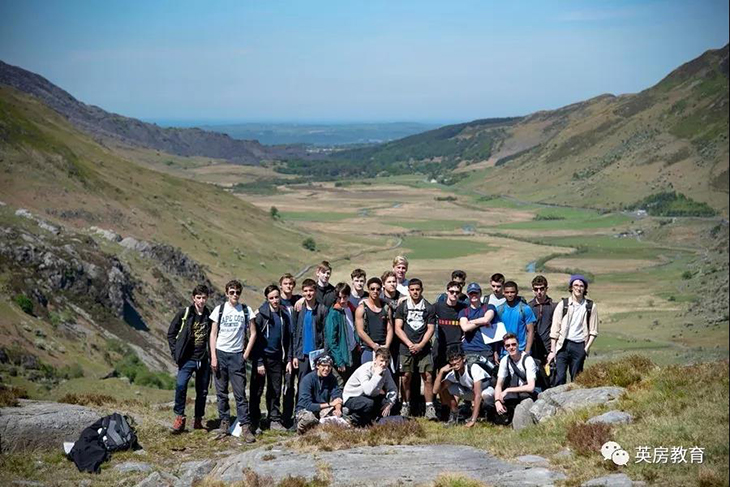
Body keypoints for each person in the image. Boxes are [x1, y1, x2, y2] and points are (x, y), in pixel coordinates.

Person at [209, 280, 257, 443]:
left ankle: (245, 426)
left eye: (237, 292)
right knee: (221, 392)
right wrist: (213, 356)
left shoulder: (246, 310)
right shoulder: (219, 310)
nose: (235, 295)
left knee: (240, 393)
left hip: (237, 356)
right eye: (231, 292)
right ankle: (224, 423)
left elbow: (253, 333)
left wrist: (245, 354)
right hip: (221, 354)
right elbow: (213, 334)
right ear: (226, 293)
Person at [167, 284, 212, 433]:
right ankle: (179, 418)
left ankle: (198, 419)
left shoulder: (209, 315)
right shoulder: (185, 313)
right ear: (193, 298)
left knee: (202, 391)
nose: (201, 301)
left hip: (203, 359)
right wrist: (176, 353)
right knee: (181, 386)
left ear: (207, 298)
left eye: (203, 298)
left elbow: (213, 335)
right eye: (198, 297)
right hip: (187, 359)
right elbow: (171, 333)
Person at [394, 278, 437, 420]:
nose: (415, 292)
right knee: (405, 377)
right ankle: (405, 405)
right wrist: (409, 344)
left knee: (428, 376)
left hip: (424, 348)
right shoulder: (402, 307)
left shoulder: (429, 307)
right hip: (406, 347)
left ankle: (429, 407)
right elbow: (397, 328)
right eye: (412, 290)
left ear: (422, 290)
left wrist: (421, 344)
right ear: (408, 291)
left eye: (417, 289)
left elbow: (431, 328)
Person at [250, 285, 291, 432]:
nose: (275, 300)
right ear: (267, 299)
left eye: (276, 297)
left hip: (277, 358)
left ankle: (274, 419)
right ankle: (254, 420)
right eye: (271, 298)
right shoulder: (260, 316)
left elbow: (288, 339)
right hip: (262, 357)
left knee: (275, 390)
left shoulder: (284, 315)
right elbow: (255, 340)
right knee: (257, 390)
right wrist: (259, 362)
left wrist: (288, 359)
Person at [547, 275, 598, 385]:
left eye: (581, 286)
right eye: (576, 285)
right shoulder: (563, 304)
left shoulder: (590, 306)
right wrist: (553, 350)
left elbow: (593, 331)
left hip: (579, 345)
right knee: (559, 377)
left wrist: (586, 348)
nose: (578, 288)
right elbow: (555, 329)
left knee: (577, 379)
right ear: (571, 287)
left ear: (585, 288)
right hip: (563, 345)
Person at [433, 345, 496, 427]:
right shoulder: (454, 373)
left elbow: (478, 395)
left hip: (487, 389)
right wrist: (441, 372)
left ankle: (490, 417)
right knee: (446, 388)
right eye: (451, 360)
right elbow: (436, 390)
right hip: (472, 392)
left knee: (485, 395)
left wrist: (473, 420)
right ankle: (454, 415)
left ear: (463, 358)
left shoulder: (474, 368)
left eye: (456, 359)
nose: (454, 362)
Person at [343, 347, 398, 427]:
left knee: (389, 405)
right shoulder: (366, 369)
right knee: (368, 404)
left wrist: (389, 403)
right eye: (381, 361)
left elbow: (393, 389)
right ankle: (353, 418)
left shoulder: (386, 370)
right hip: (353, 396)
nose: (384, 364)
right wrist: (377, 375)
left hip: (370, 396)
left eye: (386, 361)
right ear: (375, 359)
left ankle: (373, 420)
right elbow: (368, 391)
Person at [493, 333, 538, 425]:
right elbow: (498, 385)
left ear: (518, 345)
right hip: (513, 391)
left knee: (523, 396)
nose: (511, 347)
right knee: (491, 399)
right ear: (505, 348)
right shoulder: (505, 360)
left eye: (513, 344)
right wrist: (497, 401)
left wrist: (508, 390)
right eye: (508, 345)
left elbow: (531, 387)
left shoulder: (528, 360)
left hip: (527, 392)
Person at [292, 279, 329, 384]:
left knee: (317, 384)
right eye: (306, 291)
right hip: (302, 355)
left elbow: (326, 334)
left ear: (315, 292)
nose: (308, 293)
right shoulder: (299, 309)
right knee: (302, 384)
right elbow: (294, 333)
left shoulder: (322, 309)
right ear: (303, 292)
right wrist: (295, 355)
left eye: (311, 290)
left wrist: (325, 354)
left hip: (317, 355)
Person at [295, 355, 344, 434]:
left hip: (322, 409)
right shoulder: (308, 379)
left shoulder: (332, 378)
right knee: (309, 418)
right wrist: (330, 404)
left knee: (345, 411)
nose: (326, 369)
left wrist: (338, 409)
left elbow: (337, 396)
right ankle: (302, 429)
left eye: (329, 366)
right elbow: (307, 405)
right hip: (306, 410)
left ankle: (320, 429)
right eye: (324, 366)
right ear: (317, 366)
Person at [279, 273, 301, 427]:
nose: (288, 286)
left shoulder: (297, 300)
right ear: (281, 285)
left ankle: (296, 414)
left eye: (291, 284)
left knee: (296, 383)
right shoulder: (276, 300)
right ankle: (282, 417)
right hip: (281, 347)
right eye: (286, 283)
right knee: (283, 385)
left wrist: (302, 299)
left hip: (296, 346)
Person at [459, 283, 500, 368]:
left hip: (486, 349)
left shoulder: (489, 307)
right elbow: (465, 328)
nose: (474, 295)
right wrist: (481, 322)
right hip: (468, 350)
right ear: (468, 295)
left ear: (480, 293)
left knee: (487, 375)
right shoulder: (464, 311)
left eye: (476, 293)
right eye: (471, 293)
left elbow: (486, 319)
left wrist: (471, 322)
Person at [355, 277, 393, 364]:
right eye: (372, 289)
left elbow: (390, 329)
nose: (375, 291)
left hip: (384, 348)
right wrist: (374, 346)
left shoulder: (386, 308)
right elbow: (360, 331)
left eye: (378, 289)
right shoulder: (361, 309)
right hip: (368, 350)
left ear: (381, 290)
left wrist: (386, 346)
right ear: (368, 289)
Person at [325, 283, 357, 382]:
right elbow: (332, 341)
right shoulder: (334, 313)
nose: (342, 300)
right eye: (339, 298)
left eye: (345, 297)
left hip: (353, 351)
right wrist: (339, 361)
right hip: (342, 356)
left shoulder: (351, 309)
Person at [495, 281, 536, 356]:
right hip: (504, 352)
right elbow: (496, 333)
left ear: (517, 292)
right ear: (503, 293)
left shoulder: (525, 309)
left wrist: (527, 351)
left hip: (521, 350)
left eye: (512, 292)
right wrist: (496, 352)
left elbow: (530, 331)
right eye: (507, 292)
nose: (510, 295)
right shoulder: (499, 310)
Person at [434, 280, 468, 370]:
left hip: (457, 346)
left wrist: (466, 334)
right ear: (447, 292)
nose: (454, 294)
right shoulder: (437, 306)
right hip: (441, 345)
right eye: (452, 292)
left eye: (457, 292)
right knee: (439, 372)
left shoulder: (464, 308)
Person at [528, 275, 558, 368]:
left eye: (541, 289)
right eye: (536, 289)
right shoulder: (528, 307)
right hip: (533, 348)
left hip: (550, 348)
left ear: (546, 289)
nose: (539, 292)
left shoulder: (554, 307)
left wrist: (554, 349)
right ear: (533, 290)